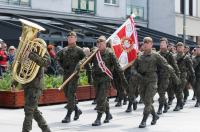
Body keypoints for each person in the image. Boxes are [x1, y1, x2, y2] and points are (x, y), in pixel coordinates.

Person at [130, 37, 177, 128]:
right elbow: (133, 68)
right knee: (145, 100)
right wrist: (136, 73)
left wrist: (175, 77)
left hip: (152, 80)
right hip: (142, 81)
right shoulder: (139, 56)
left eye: (147, 43)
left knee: (148, 100)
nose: (145, 44)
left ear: (151, 44)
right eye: (144, 43)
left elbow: (166, 65)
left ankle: (144, 120)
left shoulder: (156, 55)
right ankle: (155, 116)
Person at [91, 36, 128, 126]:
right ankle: (108, 115)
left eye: (102, 43)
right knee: (102, 97)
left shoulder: (110, 53)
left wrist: (123, 78)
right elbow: (86, 60)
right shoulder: (95, 52)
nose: (100, 44)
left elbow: (117, 66)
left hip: (105, 78)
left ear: (105, 43)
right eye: (98, 43)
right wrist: (80, 64)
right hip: (96, 79)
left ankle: (99, 117)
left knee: (101, 98)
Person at [12, 49, 51, 132]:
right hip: (26, 84)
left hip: (36, 85)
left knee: (28, 109)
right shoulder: (25, 47)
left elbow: (47, 62)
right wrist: (14, 83)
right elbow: (20, 67)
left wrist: (31, 55)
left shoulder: (41, 47)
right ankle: (46, 130)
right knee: (34, 111)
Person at [56, 31, 85, 123]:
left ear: (76, 39)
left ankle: (68, 115)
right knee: (67, 94)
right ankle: (77, 110)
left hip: (74, 75)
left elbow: (85, 59)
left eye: (72, 37)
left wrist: (80, 65)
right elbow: (57, 59)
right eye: (69, 37)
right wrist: (61, 67)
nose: (70, 39)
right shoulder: (64, 50)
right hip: (66, 74)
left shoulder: (79, 50)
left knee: (71, 93)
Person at [157, 38, 180, 114]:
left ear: (167, 44)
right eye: (161, 43)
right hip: (157, 76)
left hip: (166, 76)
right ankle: (166, 105)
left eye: (163, 43)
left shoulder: (170, 55)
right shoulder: (157, 54)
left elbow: (175, 66)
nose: (162, 44)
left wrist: (177, 77)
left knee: (162, 92)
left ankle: (160, 108)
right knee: (160, 92)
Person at [174, 42, 195, 111]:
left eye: (181, 46)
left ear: (183, 48)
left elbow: (190, 67)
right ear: (176, 48)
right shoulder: (173, 56)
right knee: (176, 90)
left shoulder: (186, 57)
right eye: (178, 46)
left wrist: (193, 76)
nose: (179, 47)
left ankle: (178, 104)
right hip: (175, 75)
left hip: (183, 75)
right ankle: (181, 102)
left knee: (179, 90)